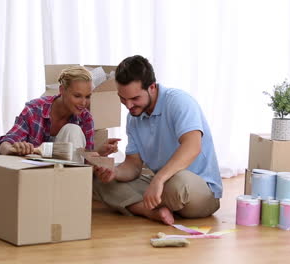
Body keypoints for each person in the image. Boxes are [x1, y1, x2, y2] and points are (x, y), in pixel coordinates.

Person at [93, 55, 222, 225]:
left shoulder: (179, 101)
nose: (129, 105)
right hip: (162, 186)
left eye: (135, 98)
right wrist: (113, 173)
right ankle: (151, 211)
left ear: (152, 87)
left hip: (196, 189)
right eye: (123, 98)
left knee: (180, 184)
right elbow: (133, 165)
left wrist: (159, 179)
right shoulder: (134, 117)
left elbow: (192, 146)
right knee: (99, 182)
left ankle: (140, 205)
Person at [0, 66, 119, 161]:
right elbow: (5, 143)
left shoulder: (86, 119)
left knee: (72, 129)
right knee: (72, 129)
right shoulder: (34, 109)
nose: (83, 103)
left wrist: (100, 152)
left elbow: (85, 162)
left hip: (66, 177)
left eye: (88, 96)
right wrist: (13, 149)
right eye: (77, 96)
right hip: (34, 174)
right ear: (62, 90)